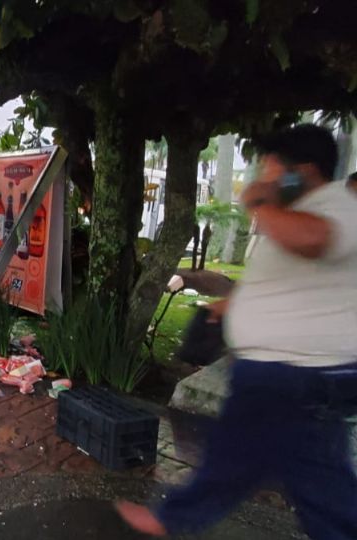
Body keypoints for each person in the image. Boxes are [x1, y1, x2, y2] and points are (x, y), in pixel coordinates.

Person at [116, 124, 357, 539]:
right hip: (289, 374)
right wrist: (232, 305)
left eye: (271, 167)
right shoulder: (303, 210)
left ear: (302, 170)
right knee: (266, 460)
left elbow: (313, 241)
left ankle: (172, 519)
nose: (264, 175)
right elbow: (292, 279)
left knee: (256, 457)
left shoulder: (335, 207)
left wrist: (259, 202)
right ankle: (175, 518)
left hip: (297, 373)